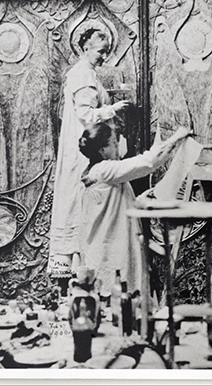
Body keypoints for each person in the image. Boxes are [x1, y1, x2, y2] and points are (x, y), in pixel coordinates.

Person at [49, 28, 129, 280]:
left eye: (106, 52)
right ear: (85, 48)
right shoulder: (83, 74)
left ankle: (81, 268)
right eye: (100, 51)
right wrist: (112, 108)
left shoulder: (85, 73)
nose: (104, 57)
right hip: (83, 149)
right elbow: (85, 115)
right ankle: (78, 269)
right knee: (79, 201)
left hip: (83, 144)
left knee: (83, 202)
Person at [77, 122, 191, 297]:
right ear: (102, 151)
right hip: (110, 249)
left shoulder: (97, 171)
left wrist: (138, 200)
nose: (117, 147)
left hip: (105, 246)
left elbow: (110, 206)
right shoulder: (104, 169)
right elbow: (148, 163)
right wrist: (176, 137)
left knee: (116, 297)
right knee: (119, 297)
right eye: (114, 143)